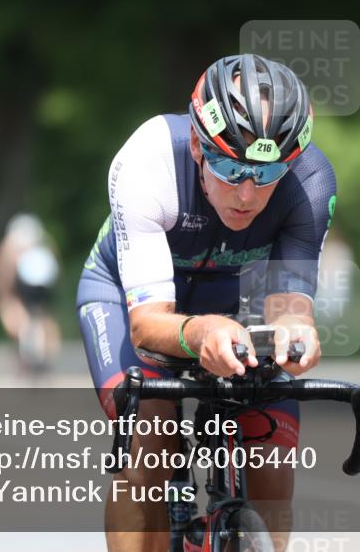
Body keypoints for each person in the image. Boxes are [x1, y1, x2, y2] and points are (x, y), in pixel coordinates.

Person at [77, 54, 335, 551]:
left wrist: (297, 335)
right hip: (128, 296)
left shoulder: (311, 182)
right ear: (197, 144)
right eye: (227, 165)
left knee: (273, 460)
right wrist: (200, 333)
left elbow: (289, 307)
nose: (246, 193)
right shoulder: (149, 160)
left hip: (233, 300)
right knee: (150, 446)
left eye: (267, 173)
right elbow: (149, 324)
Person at [0, 213, 62, 368]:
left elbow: (3, 273)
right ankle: (45, 348)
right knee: (43, 313)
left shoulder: (9, 244)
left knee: (10, 305)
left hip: (23, 283)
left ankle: (27, 339)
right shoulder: (44, 241)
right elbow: (56, 264)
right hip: (44, 283)